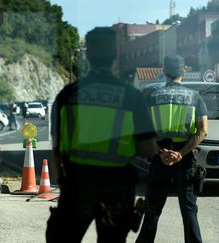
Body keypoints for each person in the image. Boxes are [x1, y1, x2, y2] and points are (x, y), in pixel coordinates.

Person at [46, 27, 157, 243]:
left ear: (87, 54)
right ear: (115, 55)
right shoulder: (131, 97)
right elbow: (149, 149)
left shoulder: (67, 95)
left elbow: (57, 148)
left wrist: (63, 182)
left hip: (78, 185)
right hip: (117, 188)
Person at [136, 55, 208, 243]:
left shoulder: (150, 96)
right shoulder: (195, 97)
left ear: (163, 72)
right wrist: (180, 153)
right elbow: (203, 131)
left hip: (159, 159)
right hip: (185, 160)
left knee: (152, 210)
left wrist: (162, 152)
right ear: (184, 71)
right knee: (189, 211)